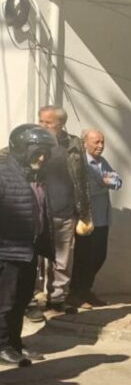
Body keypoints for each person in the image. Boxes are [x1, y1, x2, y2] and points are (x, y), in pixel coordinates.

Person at [0, 125, 56, 366]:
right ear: (22, 149)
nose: (42, 158)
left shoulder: (34, 177)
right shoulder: (3, 175)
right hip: (7, 252)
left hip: (29, 250)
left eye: (45, 153)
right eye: (37, 152)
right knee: (5, 303)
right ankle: (1, 346)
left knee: (22, 301)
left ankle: (14, 343)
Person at [33, 106, 91, 315]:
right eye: (41, 121)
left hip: (65, 211)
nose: (43, 126)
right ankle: (32, 300)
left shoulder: (73, 145)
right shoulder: (32, 141)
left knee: (61, 261)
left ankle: (57, 299)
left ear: (61, 124)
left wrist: (84, 211)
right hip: (38, 212)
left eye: (49, 122)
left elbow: (82, 179)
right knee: (35, 259)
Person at [70, 130, 122, 309]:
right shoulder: (81, 164)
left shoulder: (102, 162)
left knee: (99, 255)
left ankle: (86, 290)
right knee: (83, 257)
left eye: (102, 142)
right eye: (96, 142)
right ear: (85, 143)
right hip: (86, 218)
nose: (100, 146)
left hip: (102, 218)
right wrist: (105, 183)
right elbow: (86, 190)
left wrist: (107, 182)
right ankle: (75, 293)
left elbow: (118, 181)